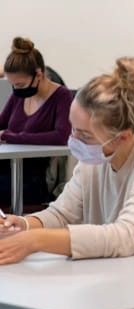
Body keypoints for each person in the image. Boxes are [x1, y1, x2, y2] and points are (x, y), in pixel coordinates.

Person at [0, 57, 134, 265]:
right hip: (118, 274)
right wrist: (22, 225)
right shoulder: (96, 159)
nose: (74, 140)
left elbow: (126, 237)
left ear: (123, 136)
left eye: (85, 135)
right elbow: (62, 214)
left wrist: (35, 240)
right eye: (73, 128)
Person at [0, 37, 73, 205]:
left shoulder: (62, 96)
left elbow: (61, 137)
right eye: (12, 85)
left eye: (19, 84)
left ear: (38, 74)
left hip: (35, 177)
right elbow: (3, 121)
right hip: (8, 167)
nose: (15, 89)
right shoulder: (20, 94)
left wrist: (10, 136)